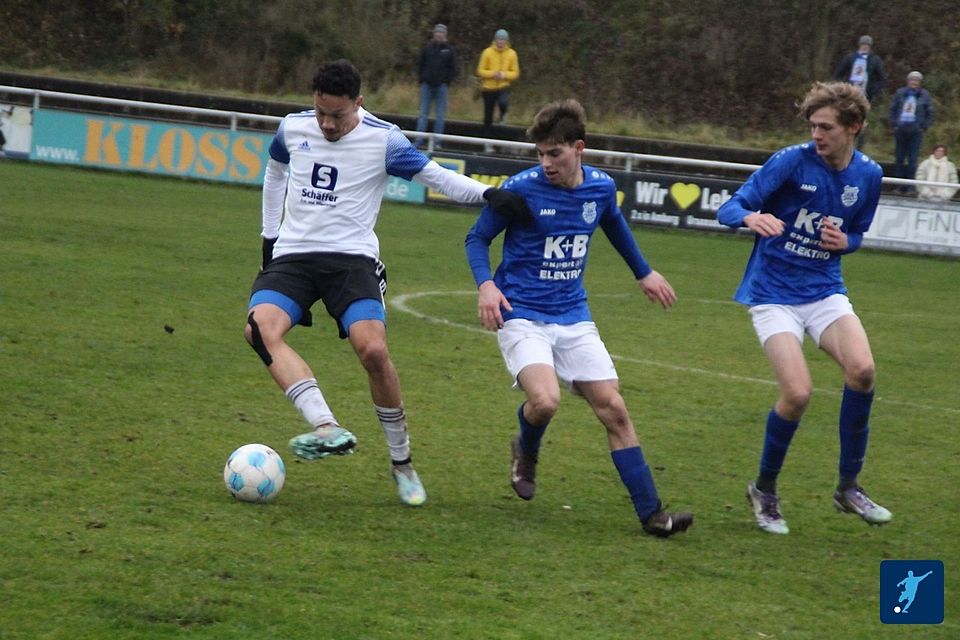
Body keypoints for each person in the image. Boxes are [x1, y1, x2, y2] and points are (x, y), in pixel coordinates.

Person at [245, 59, 530, 507]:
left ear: (358, 103)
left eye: (336, 115)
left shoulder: (384, 140)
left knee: (373, 350)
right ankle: (325, 426)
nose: (326, 123)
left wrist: (488, 194)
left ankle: (402, 463)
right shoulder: (292, 128)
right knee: (258, 329)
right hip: (294, 256)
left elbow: (435, 176)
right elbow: (275, 171)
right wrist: (269, 235)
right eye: (320, 112)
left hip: (352, 260)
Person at [464, 99, 693, 538]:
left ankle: (653, 515)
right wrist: (486, 285)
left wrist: (643, 272)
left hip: (572, 314)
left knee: (614, 409)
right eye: (540, 154)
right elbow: (477, 238)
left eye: (555, 153)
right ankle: (526, 448)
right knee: (546, 401)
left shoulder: (601, 188)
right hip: (522, 313)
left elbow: (614, 225)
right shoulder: (522, 189)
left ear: (579, 148)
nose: (546, 163)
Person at [717, 81, 892, 535]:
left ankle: (848, 487)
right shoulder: (791, 161)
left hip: (824, 291)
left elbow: (858, 235)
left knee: (864, 371)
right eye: (813, 125)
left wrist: (846, 242)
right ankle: (765, 490)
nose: (817, 134)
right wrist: (750, 217)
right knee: (797, 393)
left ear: (853, 128)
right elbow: (731, 206)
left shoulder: (869, 175)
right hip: (773, 295)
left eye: (827, 127)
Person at [832, 35, 886, 150]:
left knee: (861, 121)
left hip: (865, 96)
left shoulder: (875, 60)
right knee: (845, 118)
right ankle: (843, 144)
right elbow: (838, 74)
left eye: (867, 45)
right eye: (863, 45)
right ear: (859, 45)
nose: (865, 47)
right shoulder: (850, 58)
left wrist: (871, 90)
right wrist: (844, 88)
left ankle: (858, 148)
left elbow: (882, 80)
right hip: (848, 95)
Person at [888, 71, 934, 193]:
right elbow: (893, 109)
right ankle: (897, 185)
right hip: (901, 129)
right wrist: (894, 124)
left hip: (915, 131)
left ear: (919, 83)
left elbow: (929, 112)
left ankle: (910, 186)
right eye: (912, 80)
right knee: (899, 158)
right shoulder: (900, 93)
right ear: (908, 81)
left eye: (916, 80)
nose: (914, 82)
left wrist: (923, 126)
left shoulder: (924, 95)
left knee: (913, 159)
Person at [415, 24, 457, 148]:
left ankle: (437, 142)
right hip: (427, 85)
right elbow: (420, 64)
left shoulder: (449, 50)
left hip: (441, 87)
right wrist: (422, 79)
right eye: (437, 33)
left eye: (441, 33)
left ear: (445, 35)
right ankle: (419, 140)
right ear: (434, 34)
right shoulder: (427, 48)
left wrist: (446, 81)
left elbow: (453, 68)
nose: (438, 35)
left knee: (440, 115)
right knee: (423, 114)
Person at [476, 28, 520, 139]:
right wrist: (492, 74)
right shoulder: (487, 52)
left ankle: (503, 115)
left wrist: (504, 75)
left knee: (503, 102)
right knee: (488, 116)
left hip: (503, 86)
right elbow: (480, 71)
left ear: (507, 41)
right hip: (488, 87)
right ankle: (486, 140)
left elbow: (515, 73)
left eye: (503, 40)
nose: (500, 42)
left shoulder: (512, 54)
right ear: (495, 40)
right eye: (499, 40)